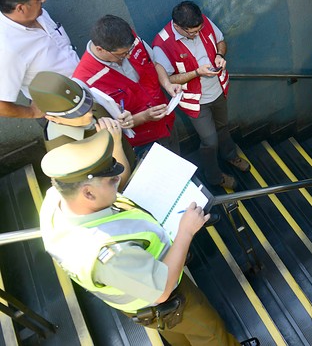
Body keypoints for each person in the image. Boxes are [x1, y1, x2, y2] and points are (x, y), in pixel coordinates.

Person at [38, 130, 259, 346]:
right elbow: (162, 290)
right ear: (88, 193)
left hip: (150, 305)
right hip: (170, 297)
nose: (118, 179)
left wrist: (116, 141)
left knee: (177, 333)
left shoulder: (57, 200)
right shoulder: (107, 254)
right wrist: (186, 232)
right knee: (212, 334)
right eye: (110, 180)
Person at [153, 1, 249, 190]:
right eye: (191, 32)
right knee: (210, 140)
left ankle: (230, 156)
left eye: (199, 29)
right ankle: (214, 177)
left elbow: (221, 41)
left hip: (218, 90)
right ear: (178, 26)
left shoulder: (202, 21)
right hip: (195, 101)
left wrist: (220, 55)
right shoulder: (162, 44)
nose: (197, 35)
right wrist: (197, 73)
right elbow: (169, 79)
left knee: (223, 127)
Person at [73, 15, 181, 156]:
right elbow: (104, 126)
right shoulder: (84, 80)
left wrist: (167, 84)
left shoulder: (129, 41)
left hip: (167, 122)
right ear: (100, 49)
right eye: (122, 54)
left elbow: (153, 63)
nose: (129, 56)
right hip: (143, 143)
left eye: (130, 51)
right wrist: (143, 117)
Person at [28, 71, 135, 190]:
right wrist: (115, 145)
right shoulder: (66, 153)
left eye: (87, 104)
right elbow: (117, 186)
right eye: (76, 114)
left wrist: (123, 120)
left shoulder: (80, 105)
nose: (88, 114)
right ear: (52, 118)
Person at [0, 0, 79, 119]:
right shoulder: (8, 50)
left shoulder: (37, 13)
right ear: (20, 8)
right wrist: (31, 113)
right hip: (62, 111)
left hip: (85, 89)